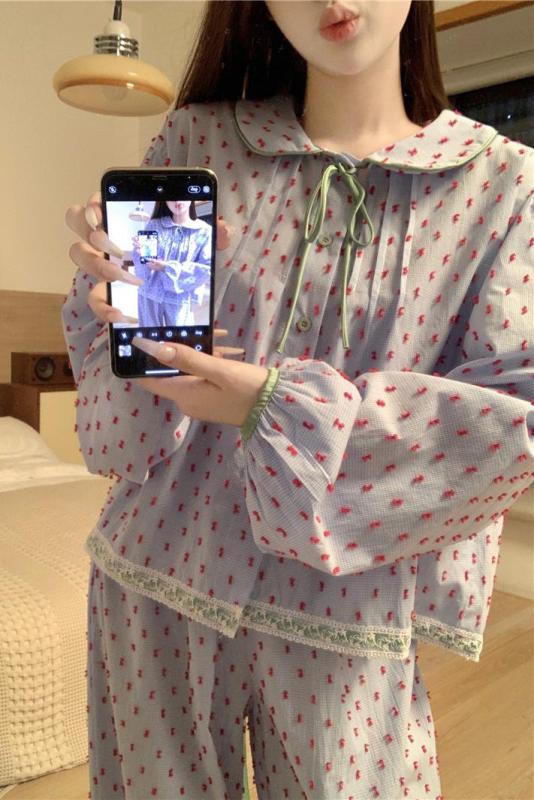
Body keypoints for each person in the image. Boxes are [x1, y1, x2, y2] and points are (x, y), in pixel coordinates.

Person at [63, 1, 534, 799]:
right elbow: (129, 423)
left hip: (347, 605)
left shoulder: (502, 185)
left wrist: (274, 407)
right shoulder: (197, 140)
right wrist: (103, 299)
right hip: (156, 573)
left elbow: (508, 427)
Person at [132, 199, 212, 327]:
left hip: (180, 297)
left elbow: (206, 269)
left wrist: (167, 267)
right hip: (148, 293)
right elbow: (143, 272)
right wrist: (139, 253)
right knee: (149, 336)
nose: (177, 200)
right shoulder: (153, 225)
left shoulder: (204, 231)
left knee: (180, 337)